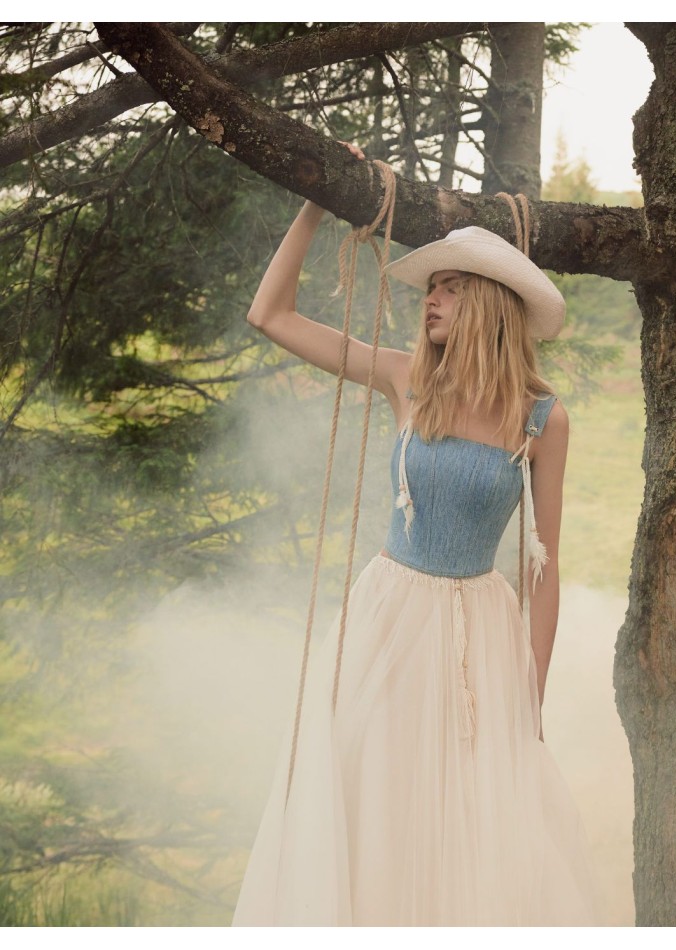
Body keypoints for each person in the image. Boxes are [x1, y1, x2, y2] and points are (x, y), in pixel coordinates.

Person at [232, 149, 603, 926]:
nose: (430, 299)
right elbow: (270, 316)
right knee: (371, 795)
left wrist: (530, 695)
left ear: (493, 305)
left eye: (449, 286)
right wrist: (314, 203)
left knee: (475, 812)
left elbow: (543, 566)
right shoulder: (407, 378)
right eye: (431, 285)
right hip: (388, 619)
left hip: (481, 633)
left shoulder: (542, 419)